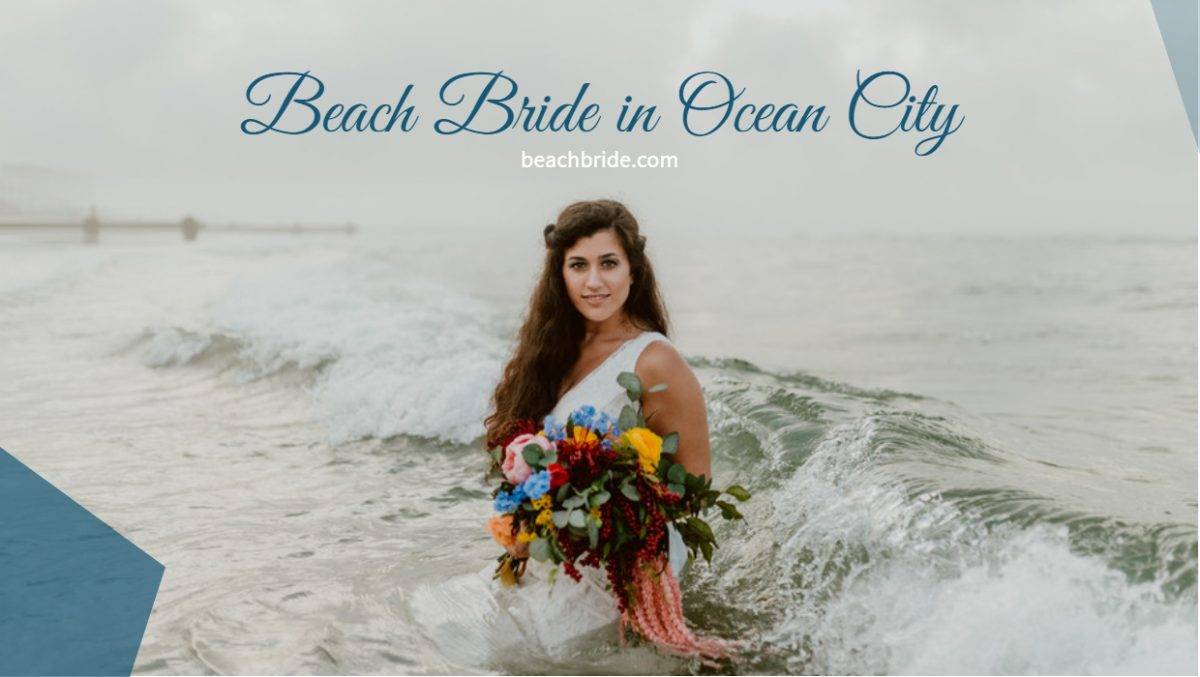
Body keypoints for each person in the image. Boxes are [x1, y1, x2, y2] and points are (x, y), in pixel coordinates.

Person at [476, 199, 712, 660]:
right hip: (549, 555)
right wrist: (533, 514)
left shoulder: (655, 359)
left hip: (619, 569)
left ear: (633, 271)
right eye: (578, 265)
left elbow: (695, 489)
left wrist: (599, 492)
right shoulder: (549, 352)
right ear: (559, 273)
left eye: (609, 263)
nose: (594, 282)